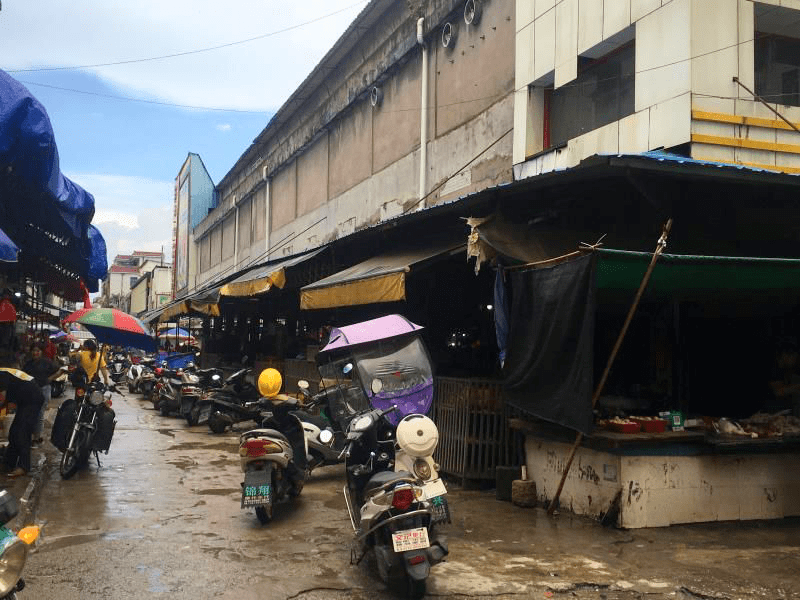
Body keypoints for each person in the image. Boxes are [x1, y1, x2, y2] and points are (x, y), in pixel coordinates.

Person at [0, 354, 46, 478]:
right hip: (25, 401)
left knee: (22, 433)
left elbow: (2, 398)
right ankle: (7, 463)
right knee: (14, 432)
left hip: (32, 400)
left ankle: (23, 467)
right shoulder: (4, 372)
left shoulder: (1, 375)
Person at [22, 344, 61, 445]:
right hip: (30, 391)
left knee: (39, 414)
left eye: (38, 351)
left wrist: (49, 379)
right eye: (34, 351)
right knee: (30, 414)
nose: (35, 353)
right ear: (31, 352)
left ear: (41, 352)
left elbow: (60, 370)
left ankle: (36, 438)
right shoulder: (28, 364)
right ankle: (29, 436)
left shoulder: (47, 362)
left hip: (44, 390)